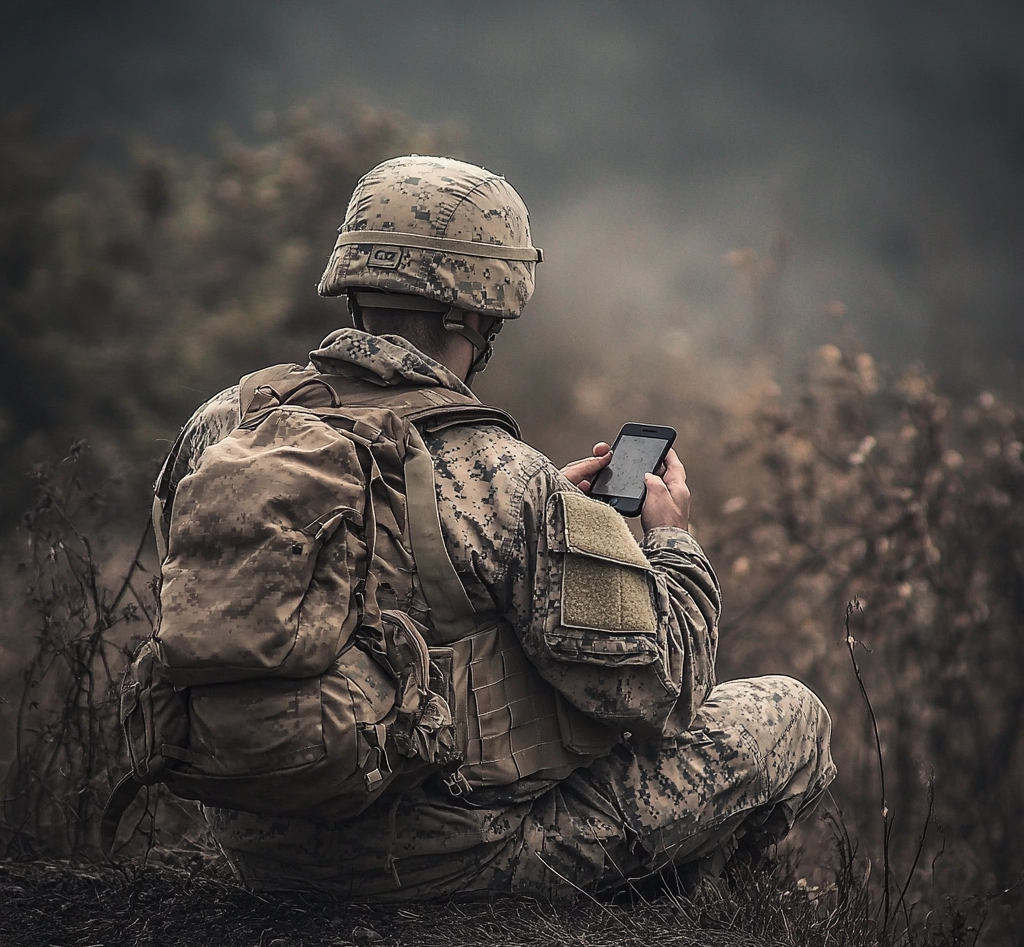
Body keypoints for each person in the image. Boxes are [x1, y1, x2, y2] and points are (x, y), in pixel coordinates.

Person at [153, 155, 835, 898]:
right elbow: (661, 691)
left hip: (260, 851)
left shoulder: (225, 423)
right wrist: (669, 542)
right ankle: (693, 923)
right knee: (792, 717)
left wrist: (571, 528)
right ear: (480, 313)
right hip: (443, 862)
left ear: (352, 281)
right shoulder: (505, 476)